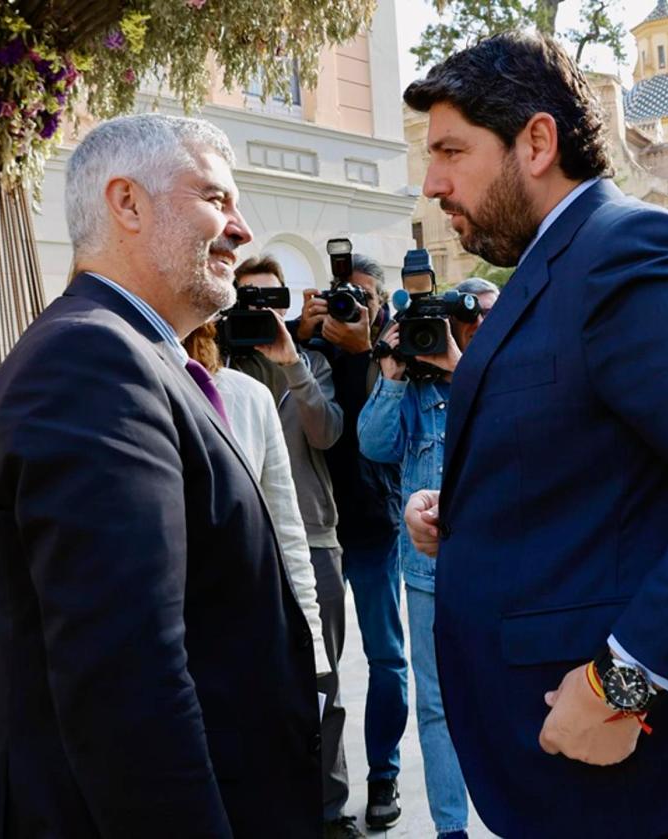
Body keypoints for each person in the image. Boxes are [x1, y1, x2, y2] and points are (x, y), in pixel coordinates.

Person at [401, 32, 668, 837]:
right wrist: (463, 514)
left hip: (650, 791)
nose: (433, 182)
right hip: (577, 793)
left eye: (452, 151)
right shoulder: (554, 265)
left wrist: (620, 684)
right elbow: (596, 463)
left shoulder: (623, 251)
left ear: (537, 142)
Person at [0, 114, 322, 837]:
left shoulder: (129, 353)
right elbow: (128, 680)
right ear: (127, 202)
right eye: (217, 199)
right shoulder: (94, 362)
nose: (241, 229)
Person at [358, 276, 499, 839]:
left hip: (498, 568)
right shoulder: (413, 388)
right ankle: (451, 829)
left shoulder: (501, 375)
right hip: (427, 573)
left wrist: (457, 364)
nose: (484, 323)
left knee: (503, 694)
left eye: (494, 312)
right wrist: (393, 376)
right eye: (472, 315)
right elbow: (373, 444)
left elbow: (516, 432)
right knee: (437, 704)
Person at [227, 257, 360, 838]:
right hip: (242, 545)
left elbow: (327, 431)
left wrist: (294, 366)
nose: (258, 310)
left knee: (325, 683)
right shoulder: (220, 364)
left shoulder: (310, 363)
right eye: (246, 299)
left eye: (267, 299)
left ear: (283, 304)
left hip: (315, 539)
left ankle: (330, 808)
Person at [298, 254, 409, 830]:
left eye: (361, 298)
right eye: (341, 296)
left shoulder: (394, 352)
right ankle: (322, 784)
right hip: (318, 526)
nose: (349, 308)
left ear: (381, 304)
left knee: (387, 658)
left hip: (374, 525)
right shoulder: (310, 349)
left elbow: (387, 429)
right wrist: (299, 336)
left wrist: (367, 349)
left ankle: (384, 773)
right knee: (322, 667)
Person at [182, 321, 330, 679]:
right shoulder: (115, 389)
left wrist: (312, 643)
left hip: (239, 626)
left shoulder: (248, 396)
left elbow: (286, 529)